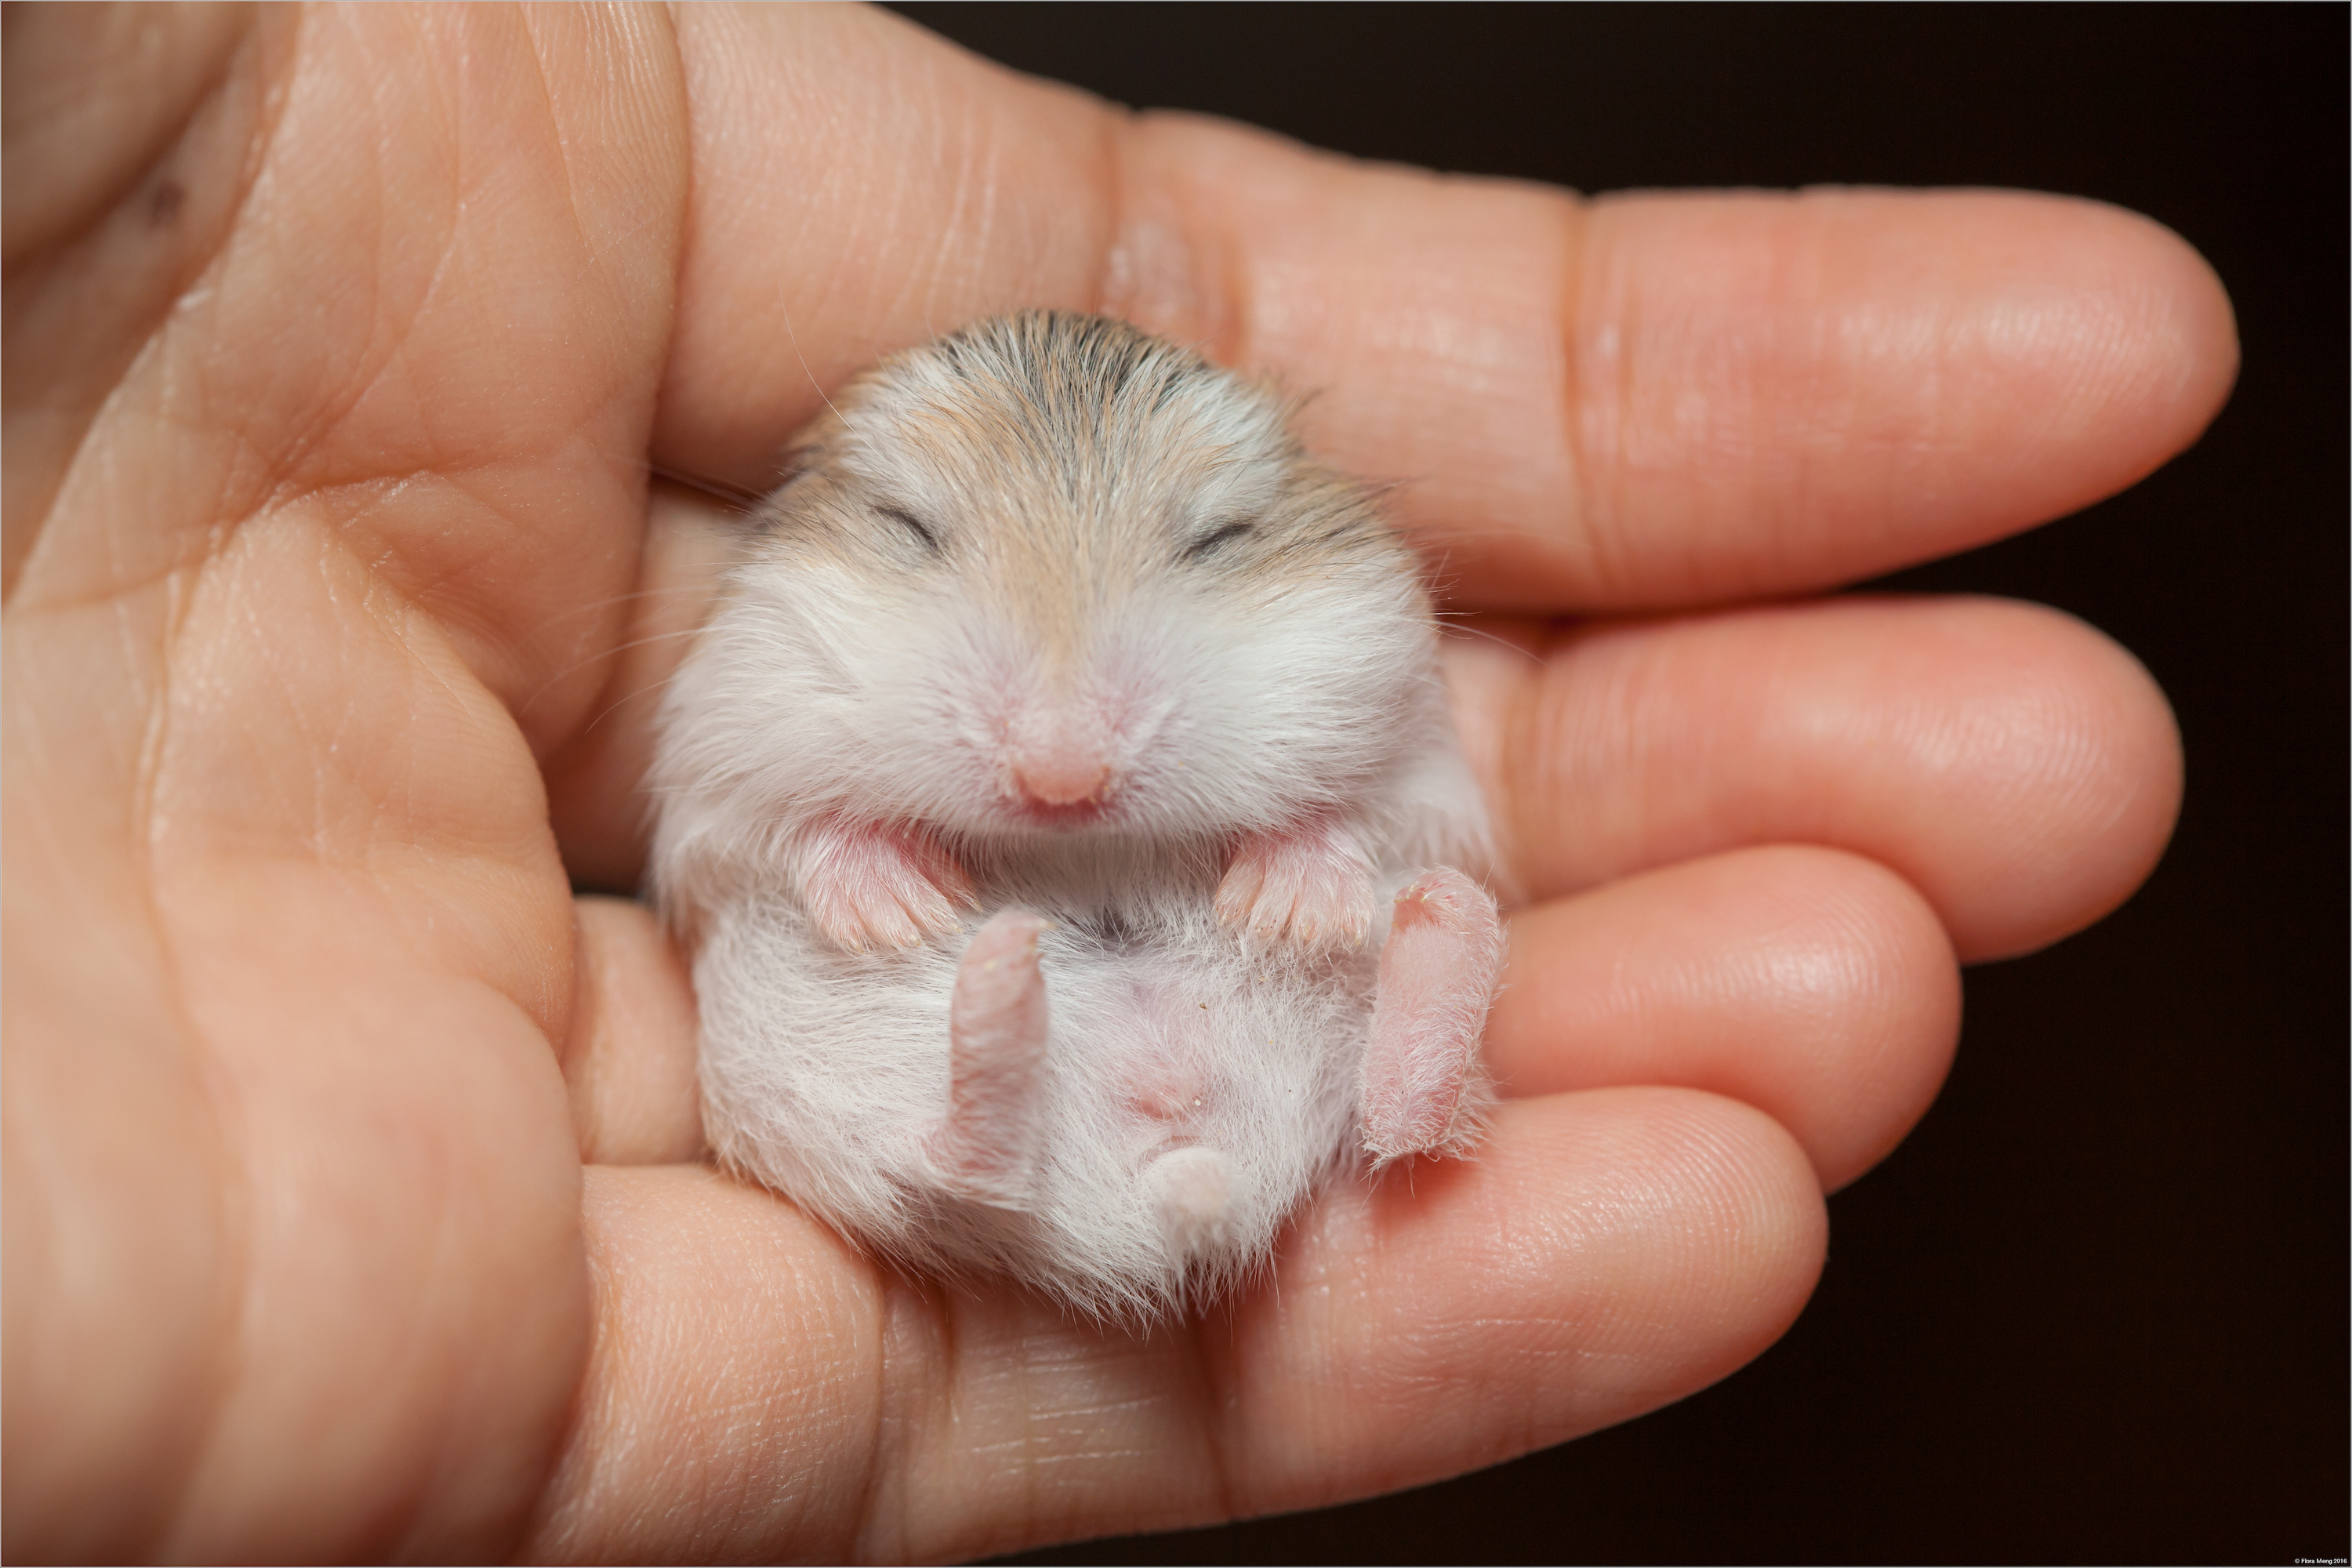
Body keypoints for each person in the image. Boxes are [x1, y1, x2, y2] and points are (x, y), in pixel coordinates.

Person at [0, 5, 2235, 1561]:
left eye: (1195, 559)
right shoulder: (778, 630)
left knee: (1374, 884)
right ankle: (979, 1128)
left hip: (1233, 1075)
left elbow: (1391, 760)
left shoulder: (1350, 631)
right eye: (931, 559)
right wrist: (826, 840)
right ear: (848, 531)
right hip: (976, 1100)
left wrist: (1322, 850)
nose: (1062, 760)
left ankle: (1405, 1043)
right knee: (770, 1014)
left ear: (1289, 532)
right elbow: (714, 838)